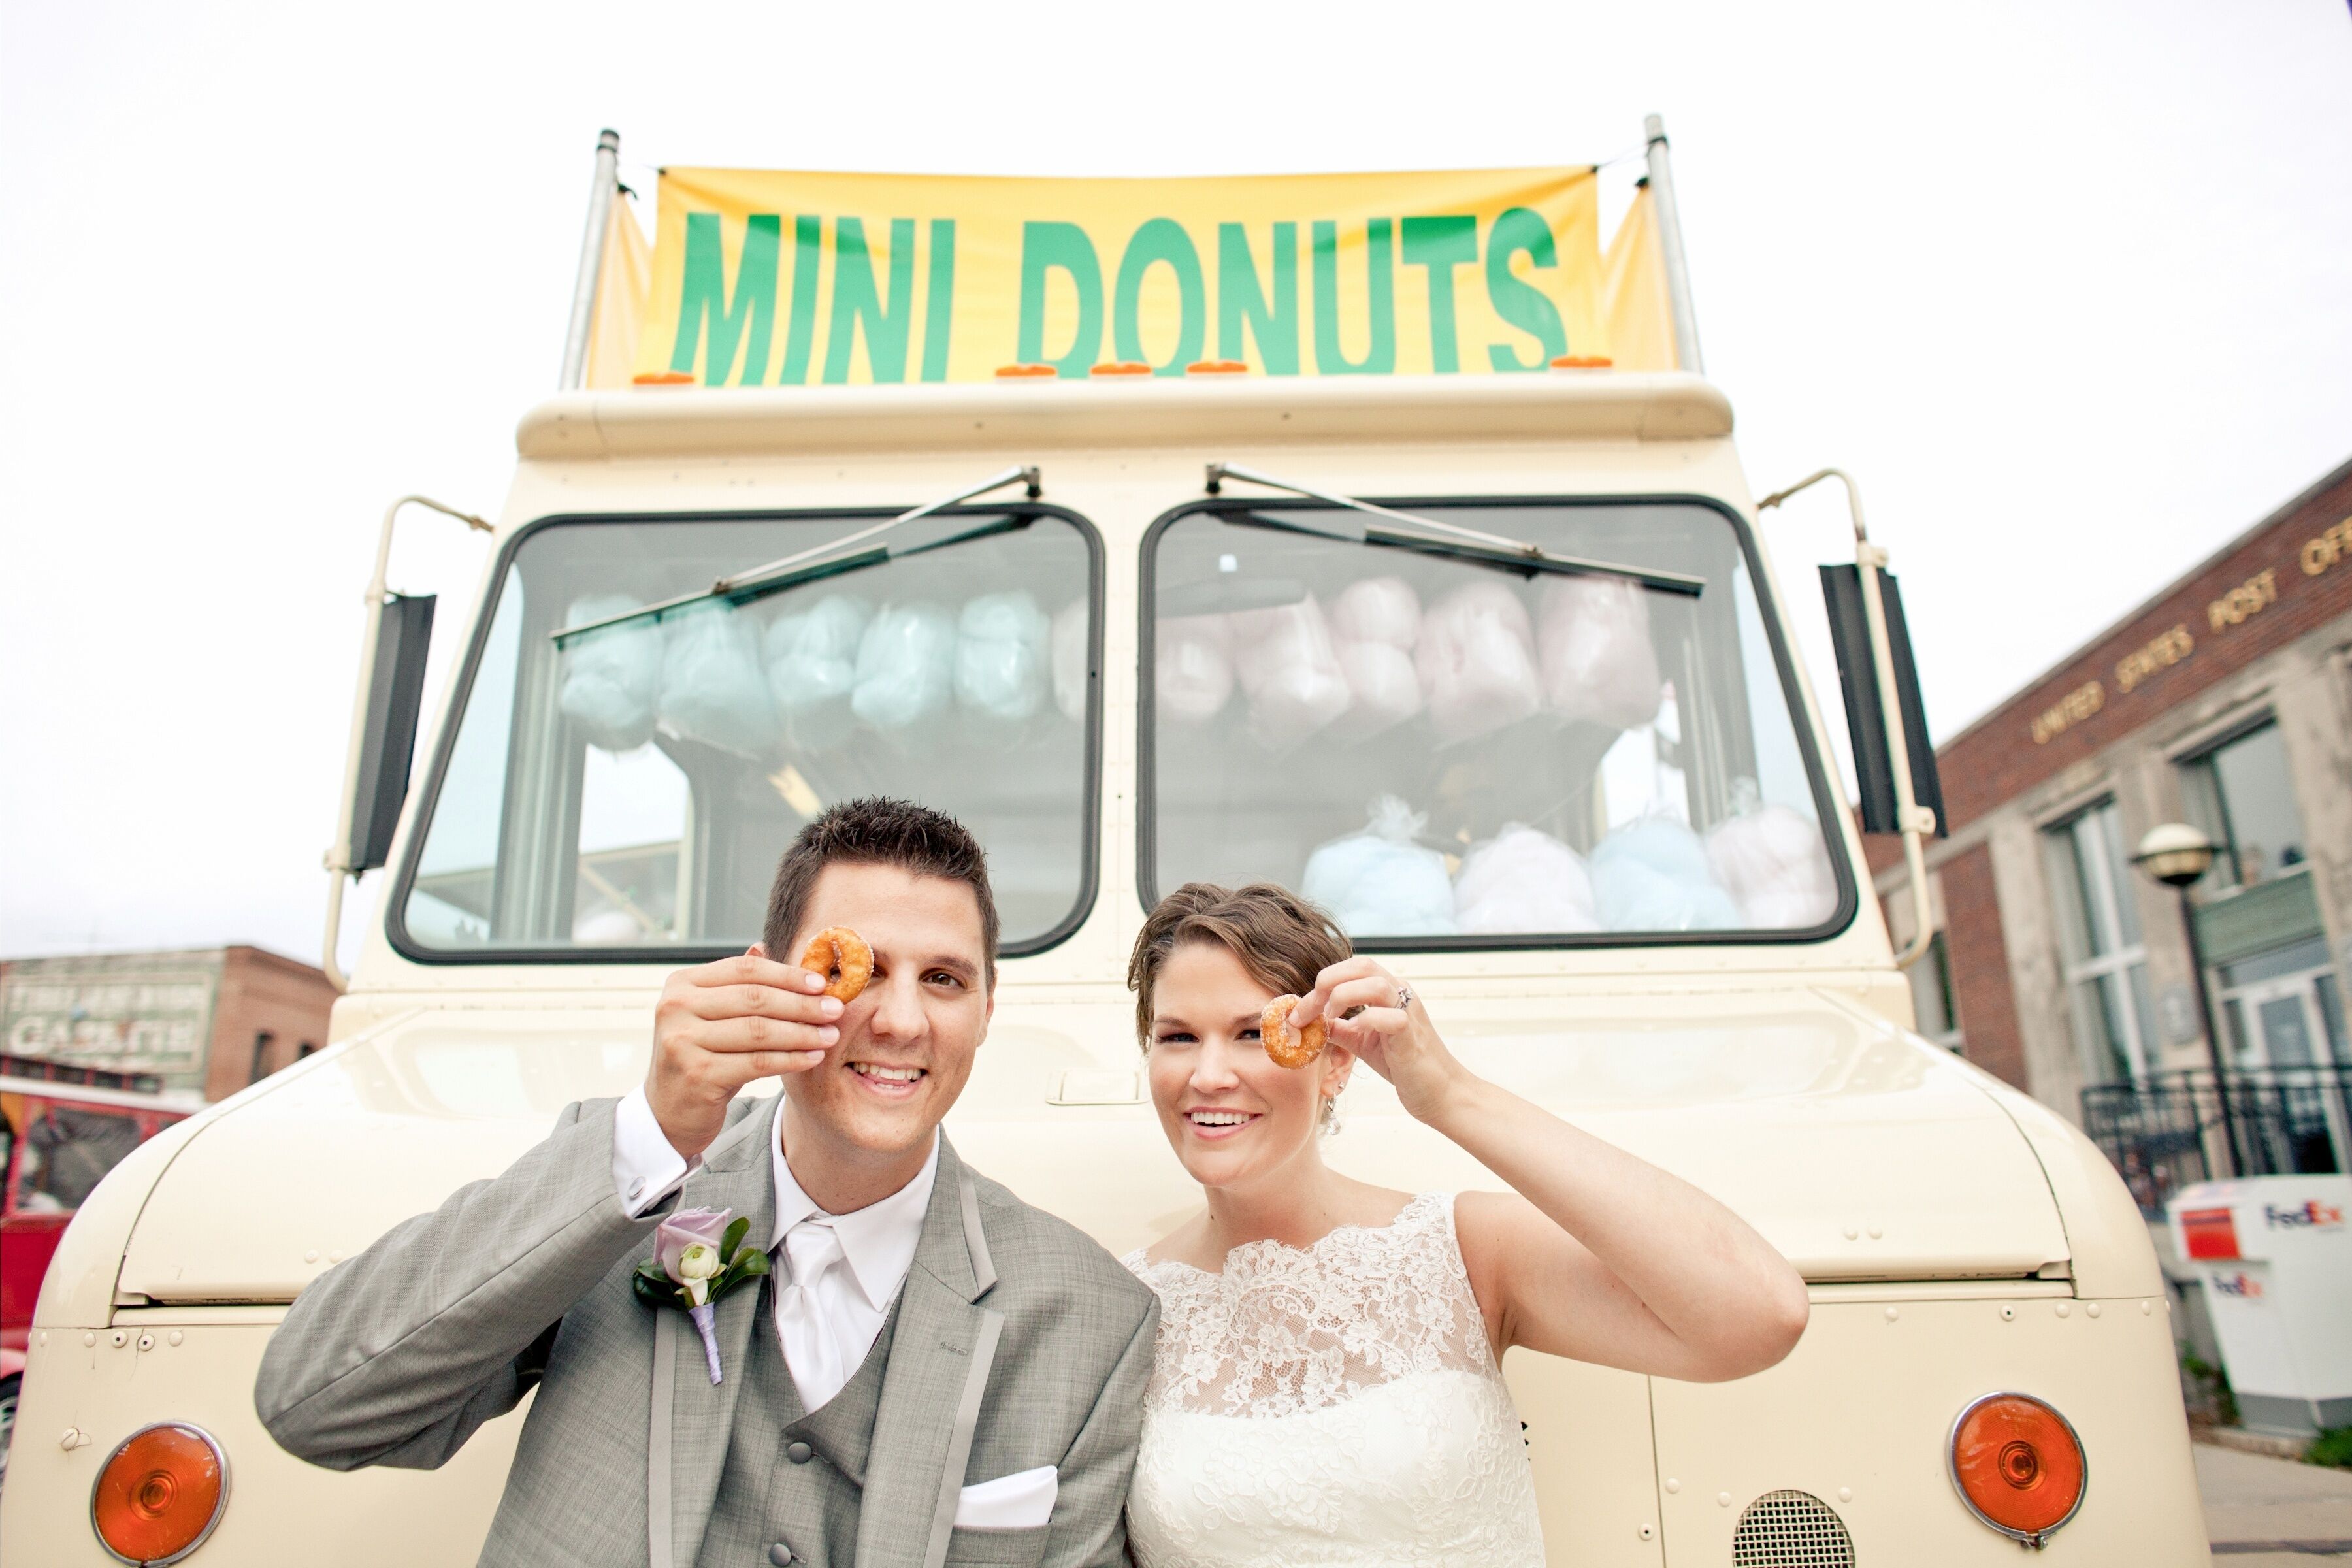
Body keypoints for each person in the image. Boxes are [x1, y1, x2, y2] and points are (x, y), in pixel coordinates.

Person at [257, 798, 1158, 1568]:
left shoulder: (1092, 1321)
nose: (901, 1019)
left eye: (946, 980)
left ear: (988, 1012)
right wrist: (651, 1136)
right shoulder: (618, 1193)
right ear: (763, 977)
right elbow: (313, 1405)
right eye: (864, 969)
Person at [1119, 883, 1810, 1567]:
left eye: (1249, 1034)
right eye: (1178, 1037)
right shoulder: (1121, 1306)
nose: (1208, 1075)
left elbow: (1761, 1314)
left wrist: (1450, 1094)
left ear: (1332, 1060)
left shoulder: (1461, 1250)